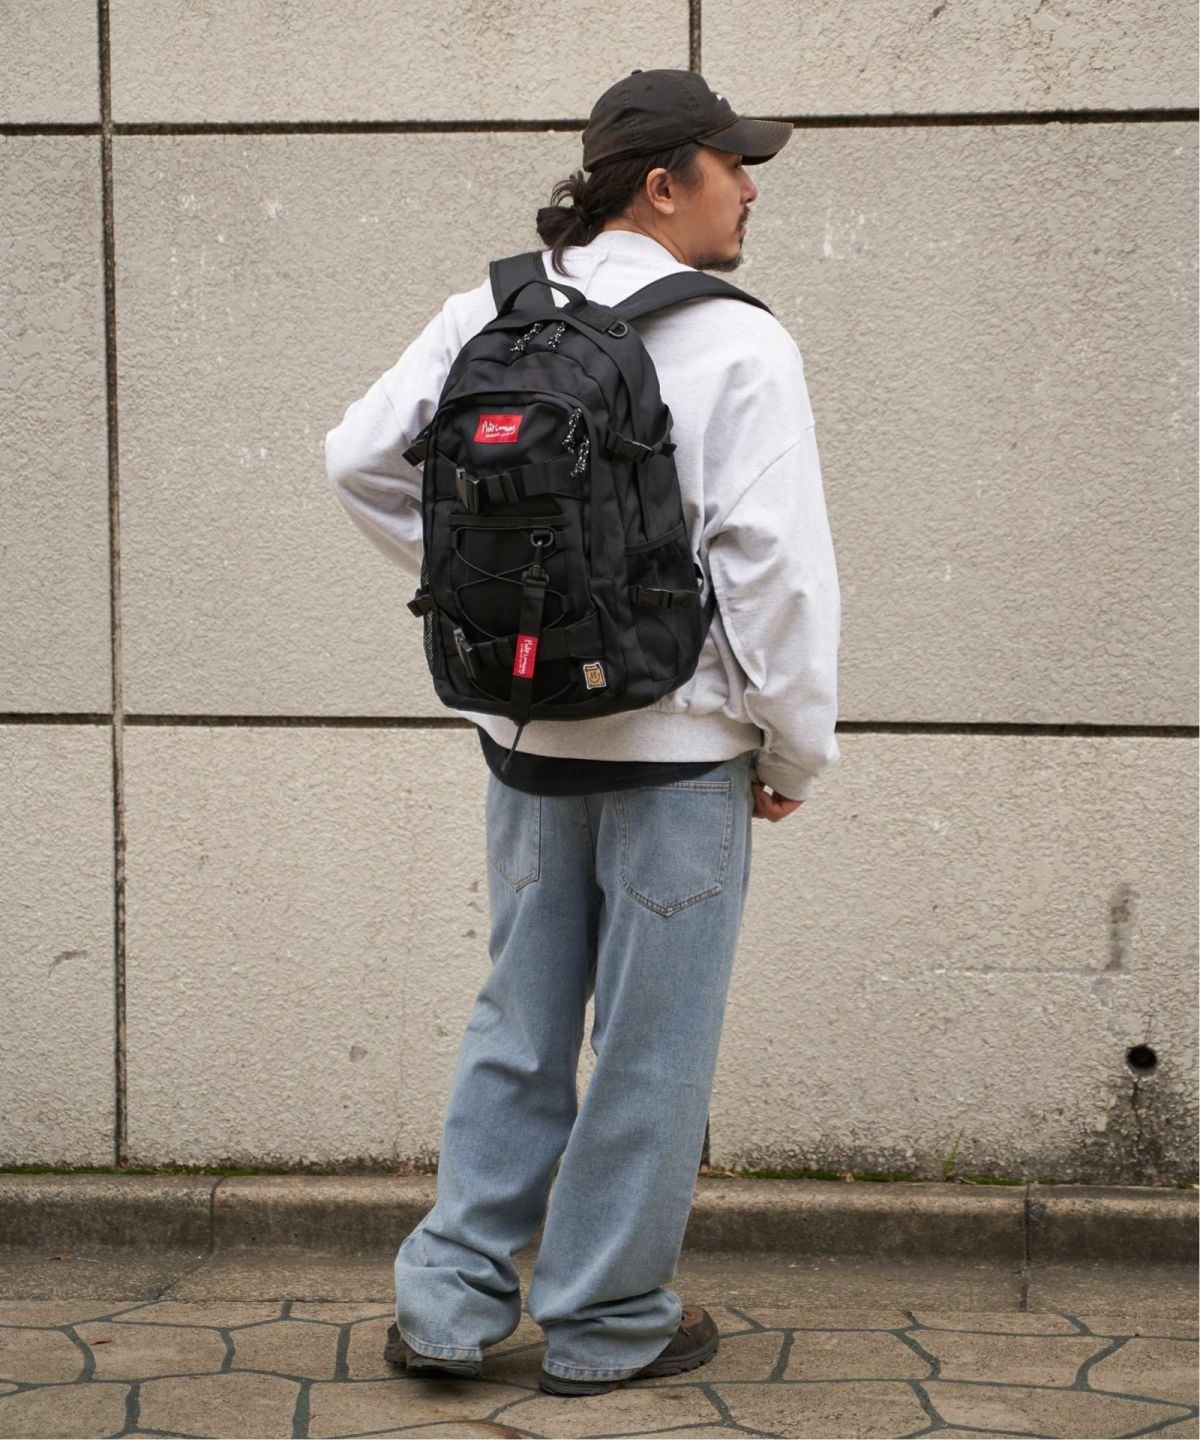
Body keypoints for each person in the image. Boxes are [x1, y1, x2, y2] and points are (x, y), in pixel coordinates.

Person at [323, 68, 841, 1398]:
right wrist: (793, 747)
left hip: (531, 734)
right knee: (651, 1053)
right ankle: (607, 1322)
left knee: (519, 1020)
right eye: (733, 164)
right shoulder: (740, 344)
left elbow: (358, 459)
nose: (751, 188)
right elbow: (775, 573)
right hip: (682, 747)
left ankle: (447, 1309)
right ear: (663, 184)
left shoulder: (489, 311)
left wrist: (495, 598)